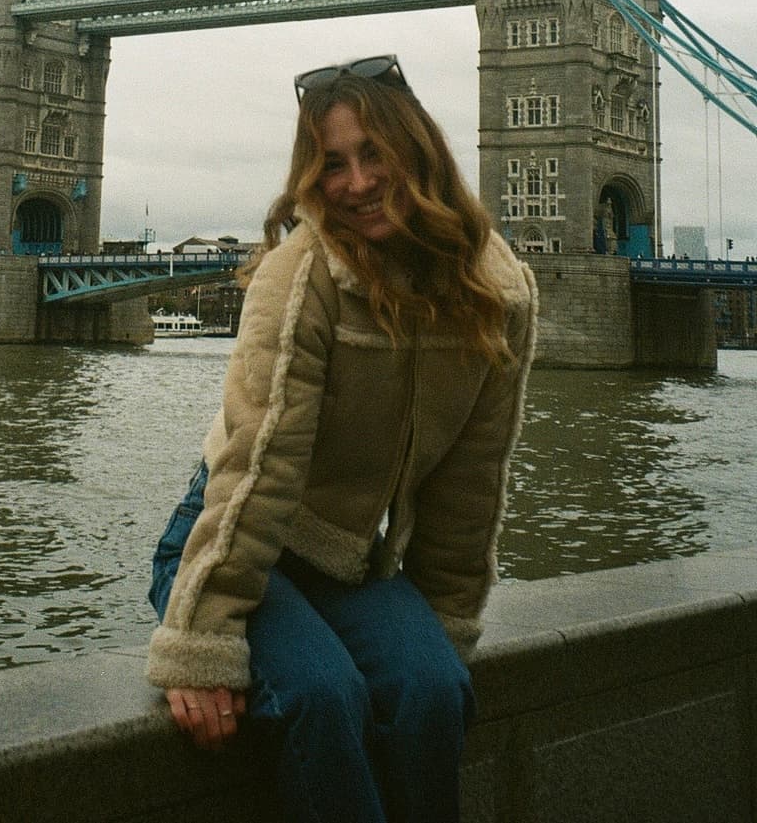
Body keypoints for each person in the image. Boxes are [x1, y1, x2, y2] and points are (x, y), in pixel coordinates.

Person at [147, 54, 537, 823]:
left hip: (345, 555)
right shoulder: (300, 277)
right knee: (322, 696)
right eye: (331, 164)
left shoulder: (498, 294)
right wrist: (201, 638)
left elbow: (469, 488)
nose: (356, 183)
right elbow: (259, 468)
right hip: (226, 533)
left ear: (419, 151)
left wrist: (440, 626)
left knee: (434, 692)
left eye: (374, 154)